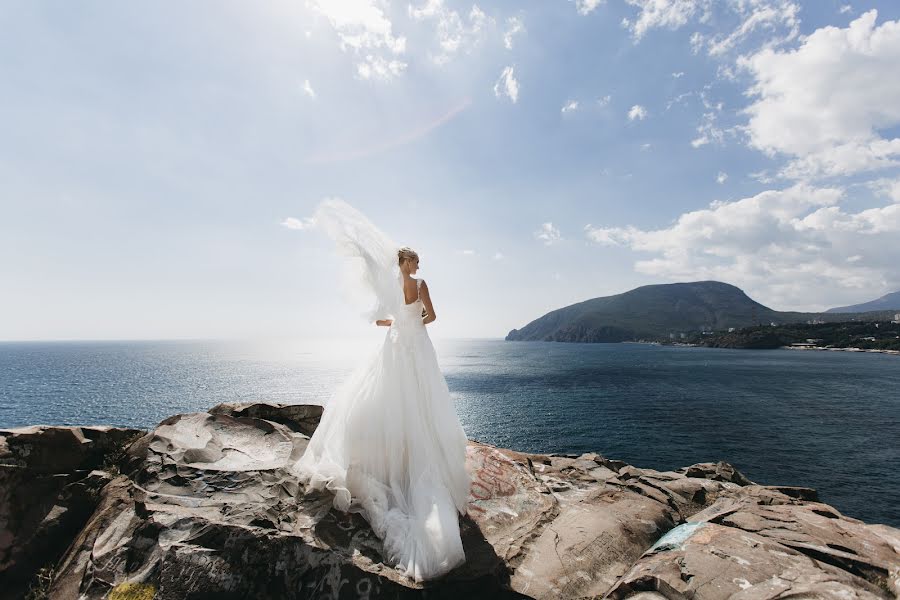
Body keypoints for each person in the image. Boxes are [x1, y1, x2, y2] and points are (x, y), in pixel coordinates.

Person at [291, 200, 471, 582]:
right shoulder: (419, 285)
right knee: (415, 399)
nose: (416, 266)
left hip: (398, 343)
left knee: (392, 396)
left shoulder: (399, 285)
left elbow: (402, 316)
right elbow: (431, 318)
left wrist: (396, 320)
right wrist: (407, 319)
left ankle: (394, 455)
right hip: (413, 343)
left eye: (415, 262)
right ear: (406, 262)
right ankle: (411, 457)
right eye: (413, 261)